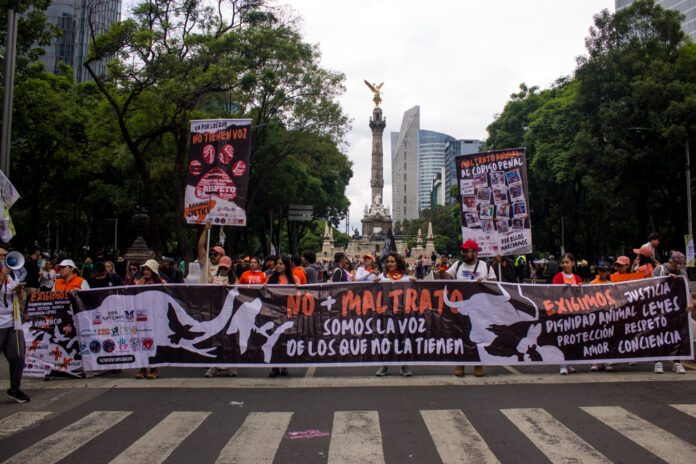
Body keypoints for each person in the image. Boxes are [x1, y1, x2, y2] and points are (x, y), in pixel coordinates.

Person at [443, 240, 496, 377]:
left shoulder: (485, 267)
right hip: (462, 308)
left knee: (479, 337)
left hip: (480, 309)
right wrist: (443, 267)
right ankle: (460, 363)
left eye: (467, 251)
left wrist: (484, 283)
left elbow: (495, 284)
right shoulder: (458, 265)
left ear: (475, 252)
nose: (464, 253)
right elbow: (446, 279)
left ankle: (478, 364)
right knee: (461, 335)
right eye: (463, 251)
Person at [374, 251, 416, 377]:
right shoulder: (382, 277)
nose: (390, 264)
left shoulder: (405, 277)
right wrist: (373, 283)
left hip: (402, 313)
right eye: (388, 262)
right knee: (386, 338)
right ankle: (384, 366)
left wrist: (415, 282)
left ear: (398, 263)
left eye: (392, 261)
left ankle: (404, 366)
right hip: (386, 313)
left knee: (403, 338)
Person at [651, 251, 694, 374]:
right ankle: (658, 362)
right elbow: (651, 285)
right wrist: (667, 279)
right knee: (659, 334)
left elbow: (688, 289)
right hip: (660, 308)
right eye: (678, 264)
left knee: (677, 334)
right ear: (671, 262)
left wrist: (690, 303)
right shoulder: (660, 270)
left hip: (676, 309)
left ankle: (677, 362)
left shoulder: (683, 273)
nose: (680, 267)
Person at [0, 247, 30, 402]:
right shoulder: (4, 274)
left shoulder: (12, 275)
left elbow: (16, 296)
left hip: (12, 321)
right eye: (1, 256)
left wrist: (20, 291)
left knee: (17, 356)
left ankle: (14, 388)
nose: (4, 258)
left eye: (5, 255)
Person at [205, 256, 238, 378]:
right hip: (216, 312)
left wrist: (229, 286)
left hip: (230, 313)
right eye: (222, 268)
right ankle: (214, 365)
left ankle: (231, 365)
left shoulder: (234, 280)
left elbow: (239, 293)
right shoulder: (214, 279)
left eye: (226, 268)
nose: (223, 270)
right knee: (216, 339)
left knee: (229, 338)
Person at [266, 256, 299, 378]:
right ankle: (274, 366)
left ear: (286, 265)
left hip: (288, 312)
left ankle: (284, 364)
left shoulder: (293, 279)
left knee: (285, 339)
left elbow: (302, 293)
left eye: (281, 263)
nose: (278, 266)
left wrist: (297, 288)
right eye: (277, 264)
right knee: (274, 339)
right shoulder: (271, 278)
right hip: (274, 312)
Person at [552, 253, 582, 375]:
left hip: (574, 311)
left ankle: (569, 363)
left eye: (567, 262)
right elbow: (554, 291)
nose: (565, 265)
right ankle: (562, 364)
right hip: (562, 311)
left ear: (573, 263)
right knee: (562, 337)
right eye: (563, 262)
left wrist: (579, 288)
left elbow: (581, 296)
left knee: (571, 338)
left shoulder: (578, 278)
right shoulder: (558, 277)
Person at [136, 260, 165, 379]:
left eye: (148, 269)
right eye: (144, 269)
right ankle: (142, 367)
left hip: (155, 316)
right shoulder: (140, 282)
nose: (145, 271)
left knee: (154, 342)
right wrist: (140, 283)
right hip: (142, 316)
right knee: (142, 341)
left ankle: (154, 368)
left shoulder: (161, 283)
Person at [590, 261, 613, 372]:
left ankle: (606, 361)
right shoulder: (593, 283)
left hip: (607, 314)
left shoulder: (611, 284)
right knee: (596, 338)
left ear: (608, 272)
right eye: (600, 270)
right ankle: (596, 361)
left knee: (607, 338)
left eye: (604, 271)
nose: (602, 273)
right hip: (596, 313)